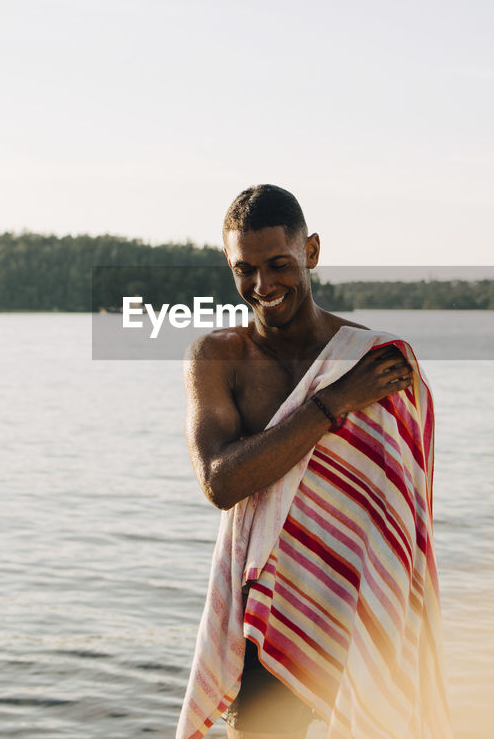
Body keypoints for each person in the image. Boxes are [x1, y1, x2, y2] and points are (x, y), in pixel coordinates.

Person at [178, 185, 447, 739]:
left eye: (279, 265)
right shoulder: (219, 357)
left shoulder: (379, 359)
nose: (262, 286)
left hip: (360, 599)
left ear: (312, 252)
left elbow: (404, 503)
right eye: (244, 270)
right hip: (267, 614)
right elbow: (220, 482)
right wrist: (335, 402)